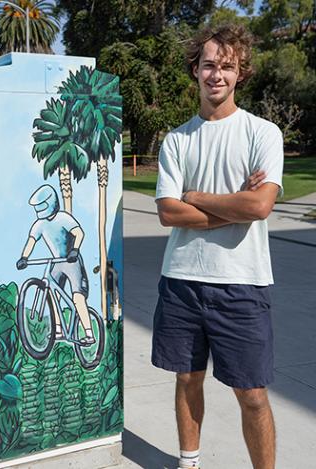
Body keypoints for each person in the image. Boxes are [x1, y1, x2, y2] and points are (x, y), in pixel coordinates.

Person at [152, 24, 284, 469]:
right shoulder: (177, 140)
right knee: (187, 379)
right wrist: (235, 205)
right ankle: (189, 462)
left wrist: (197, 197)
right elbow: (168, 214)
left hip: (241, 284)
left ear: (240, 73)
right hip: (182, 281)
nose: (217, 75)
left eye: (227, 66)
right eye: (209, 64)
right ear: (195, 70)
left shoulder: (263, 133)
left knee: (252, 394)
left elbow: (261, 205)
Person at [17, 184, 95, 345]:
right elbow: (31, 241)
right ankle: (58, 329)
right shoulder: (39, 224)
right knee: (52, 295)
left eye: (41, 205)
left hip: (71, 261)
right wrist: (24, 257)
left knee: (78, 297)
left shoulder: (63, 218)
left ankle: (89, 334)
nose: (39, 209)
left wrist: (75, 250)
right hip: (56, 262)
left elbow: (79, 233)